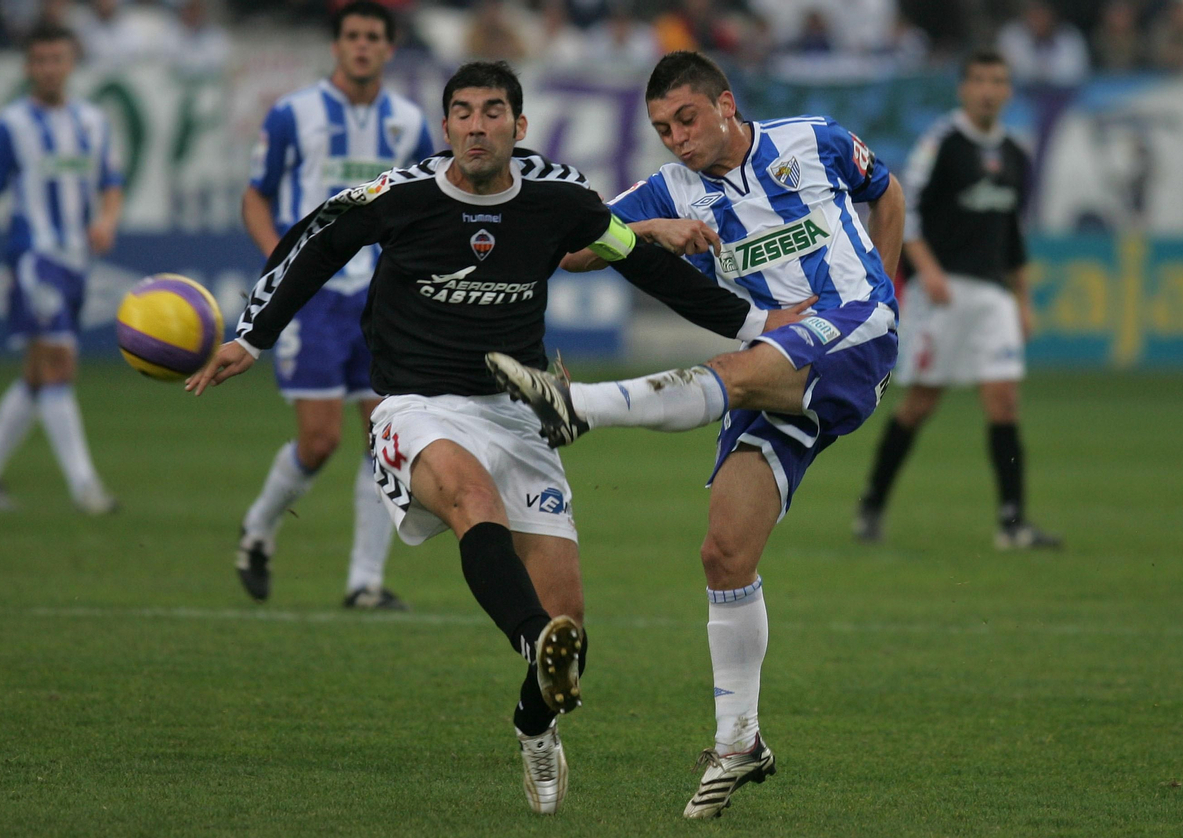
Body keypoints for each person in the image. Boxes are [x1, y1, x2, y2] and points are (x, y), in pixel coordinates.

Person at [186, 61, 795, 815]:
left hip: (517, 412)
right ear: (446, 129)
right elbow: (315, 243)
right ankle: (533, 637)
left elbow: (637, 261)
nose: (478, 125)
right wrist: (252, 337)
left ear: (519, 126)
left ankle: (533, 724)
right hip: (413, 405)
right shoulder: (398, 196)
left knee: (572, 634)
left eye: (494, 112)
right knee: (474, 502)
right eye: (464, 113)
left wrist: (763, 331)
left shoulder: (560, 200)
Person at [486, 50, 906, 819]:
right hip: (774, 359)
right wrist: (645, 229)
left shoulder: (813, 139)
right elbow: (574, 251)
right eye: (661, 129)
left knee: (732, 372)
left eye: (686, 119)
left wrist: (886, 289)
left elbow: (888, 191)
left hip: (850, 330)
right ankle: (739, 740)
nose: (676, 138)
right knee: (723, 550)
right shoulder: (669, 188)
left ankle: (576, 407)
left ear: (725, 104)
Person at [237, 1, 435, 611]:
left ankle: (364, 582)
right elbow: (256, 197)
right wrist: (286, 265)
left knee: (384, 436)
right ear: (336, 45)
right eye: (352, 36)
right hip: (315, 302)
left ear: (389, 46)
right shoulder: (294, 114)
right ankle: (258, 530)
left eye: (373, 37)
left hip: (381, 301)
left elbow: (430, 203)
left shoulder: (408, 122)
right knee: (318, 441)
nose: (361, 46)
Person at [853, 49, 1062, 551]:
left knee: (1004, 400)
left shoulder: (1015, 153)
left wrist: (1024, 300)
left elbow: (1012, 232)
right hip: (940, 293)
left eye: (998, 80)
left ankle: (1012, 524)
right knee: (919, 405)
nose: (989, 89)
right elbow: (906, 209)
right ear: (964, 89)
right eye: (981, 79)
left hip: (993, 295)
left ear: (1008, 91)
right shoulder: (940, 144)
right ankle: (872, 503)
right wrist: (926, 271)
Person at [0, 23, 122, 515]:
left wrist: (108, 220)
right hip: (33, 258)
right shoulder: (11, 126)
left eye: (58, 58)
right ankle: (85, 487)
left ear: (71, 63)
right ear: (28, 67)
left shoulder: (93, 122)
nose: (50, 68)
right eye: (41, 59)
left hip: (76, 260)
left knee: (36, 374)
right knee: (59, 364)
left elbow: (111, 182)